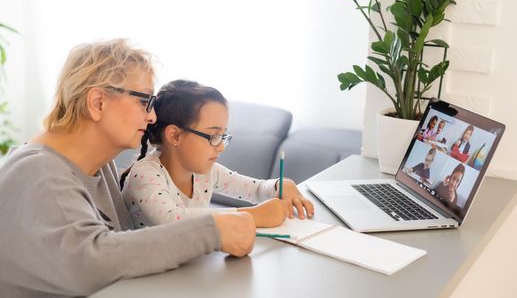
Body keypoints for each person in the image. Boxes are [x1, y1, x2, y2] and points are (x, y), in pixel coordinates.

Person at [0, 39, 257, 297]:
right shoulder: (38, 173)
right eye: (144, 101)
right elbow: (92, 263)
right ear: (98, 102)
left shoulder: (100, 166)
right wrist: (212, 230)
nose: (153, 116)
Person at [121, 80, 314, 229]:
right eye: (213, 136)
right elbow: (174, 220)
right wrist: (251, 216)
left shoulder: (206, 172)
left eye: (223, 136)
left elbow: (256, 189)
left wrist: (282, 185)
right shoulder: (145, 175)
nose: (221, 146)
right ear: (175, 135)